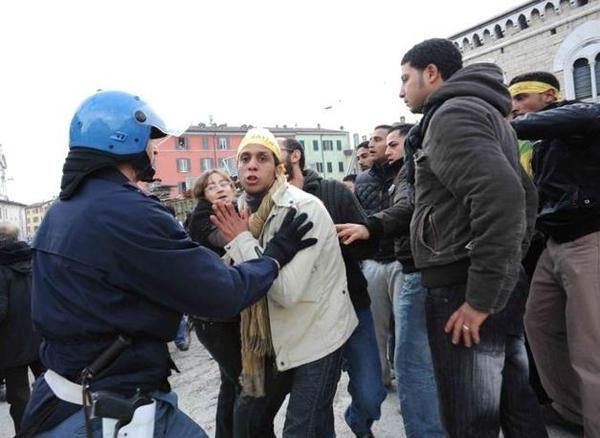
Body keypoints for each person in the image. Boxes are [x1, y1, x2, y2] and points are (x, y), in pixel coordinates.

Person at [20, 91, 316, 438]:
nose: (154, 149)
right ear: (126, 139)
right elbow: (221, 293)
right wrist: (275, 255)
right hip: (112, 407)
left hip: (66, 396)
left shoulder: (61, 211)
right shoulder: (129, 213)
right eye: (150, 140)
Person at [399, 38, 546, 437]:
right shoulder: (483, 112)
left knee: (472, 420)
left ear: (431, 73)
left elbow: (503, 196)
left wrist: (480, 297)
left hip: (463, 289)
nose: (401, 91)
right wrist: (506, 270)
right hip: (488, 279)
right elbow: (524, 196)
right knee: (516, 403)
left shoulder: (451, 114)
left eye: (405, 79)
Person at [211, 128, 358, 437]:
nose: (252, 165)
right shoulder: (243, 211)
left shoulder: (303, 209)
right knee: (247, 423)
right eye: (245, 158)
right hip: (272, 338)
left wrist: (241, 241)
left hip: (318, 334)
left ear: (279, 168)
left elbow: (285, 292)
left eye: (262, 158)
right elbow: (234, 283)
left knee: (301, 428)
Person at [337, 123, 445, 437]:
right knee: (387, 340)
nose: (375, 146)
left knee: (412, 359)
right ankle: (381, 388)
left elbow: (405, 209)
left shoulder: (412, 172)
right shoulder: (370, 179)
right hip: (381, 261)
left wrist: (371, 226)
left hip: (409, 264)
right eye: (370, 141)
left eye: (386, 142)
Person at [510, 71, 600, 437]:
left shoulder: (579, 117)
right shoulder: (544, 142)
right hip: (553, 243)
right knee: (539, 325)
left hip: (587, 239)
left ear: (549, 96)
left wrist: (503, 127)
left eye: (520, 99)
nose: (514, 108)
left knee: (590, 347)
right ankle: (575, 411)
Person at [278, 137, 385, 437]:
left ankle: (359, 421)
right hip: (307, 317)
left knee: (371, 392)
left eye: (275, 153)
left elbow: (366, 245)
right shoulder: (269, 203)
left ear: (295, 156)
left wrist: (345, 240)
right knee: (316, 402)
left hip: (351, 303)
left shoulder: (333, 191)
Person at [186, 169, 243, 438]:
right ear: (203, 195)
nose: (220, 189)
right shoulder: (201, 216)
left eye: (224, 184)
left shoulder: (236, 209)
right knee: (245, 383)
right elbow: (221, 238)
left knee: (231, 383)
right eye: (212, 187)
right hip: (213, 319)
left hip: (228, 312)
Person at [354, 124, 403, 387]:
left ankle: (406, 381)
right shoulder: (362, 181)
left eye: (377, 139)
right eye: (369, 139)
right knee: (376, 329)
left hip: (402, 261)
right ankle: (381, 380)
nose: (371, 144)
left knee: (405, 330)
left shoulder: (407, 174)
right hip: (373, 261)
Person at [0, 223, 44, 434]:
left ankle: (26, 432)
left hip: (11, 342)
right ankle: (48, 427)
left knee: (19, 396)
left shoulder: (1, 266)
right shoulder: (34, 257)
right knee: (48, 386)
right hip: (40, 334)